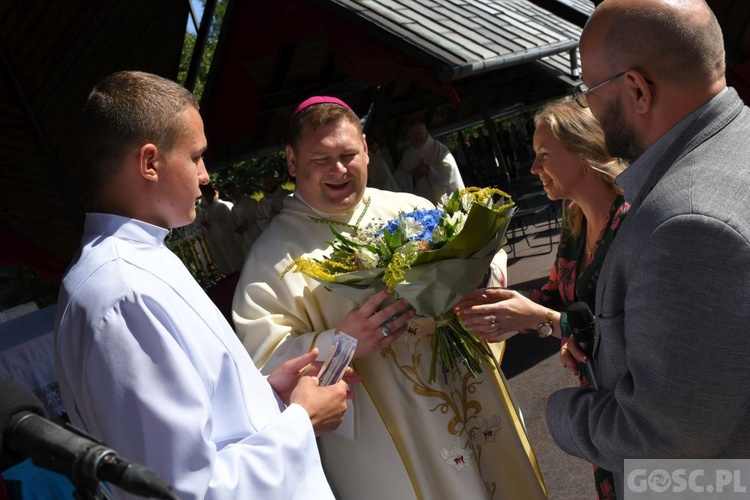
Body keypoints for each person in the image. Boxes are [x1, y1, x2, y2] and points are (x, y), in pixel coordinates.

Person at [54, 71, 353, 500]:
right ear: (150, 162)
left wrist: (266, 396)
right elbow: (182, 487)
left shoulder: (142, 261)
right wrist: (301, 422)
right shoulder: (122, 293)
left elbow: (201, 424)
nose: (206, 175)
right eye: (196, 156)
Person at [232, 95, 546, 500]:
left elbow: (485, 260)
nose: (339, 170)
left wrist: (478, 273)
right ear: (292, 162)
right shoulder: (272, 258)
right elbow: (261, 363)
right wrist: (342, 343)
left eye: (348, 154)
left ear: (366, 148)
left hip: (471, 397)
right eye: (321, 159)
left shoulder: (410, 208)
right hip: (386, 438)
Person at [543, 1, 750, 497]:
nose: (587, 106)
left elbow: (665, 441)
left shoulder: (685, 221)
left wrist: (561, 414)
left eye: (588, 90)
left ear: (636, 89)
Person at [454, 98, 629, 499]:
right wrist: (486, 300)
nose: (534, 169)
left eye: (545, 156)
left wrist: (545, 321)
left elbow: (624, 328)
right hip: (598, 407)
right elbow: (555, 294)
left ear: (584, 154)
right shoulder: (575, 218)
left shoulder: (631, 224)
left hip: (637, 411)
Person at [394, 120, 465, 204]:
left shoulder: (439, 148)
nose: (417, 137)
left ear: (426, 132)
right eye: (413, 135)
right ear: (409, 136)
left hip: (443, 197)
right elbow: (399, 176)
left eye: (420, 133)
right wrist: (412, 175)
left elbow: (449, 170)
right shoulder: (408, 155)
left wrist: (429, 170)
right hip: (421, 198)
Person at [197, 183, 245, 275]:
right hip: (211, 250)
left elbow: (231, 225)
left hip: (227, 247)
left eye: (211, 195)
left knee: (234, 269)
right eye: (206, 195)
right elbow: (191, 233)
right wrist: (202, 229)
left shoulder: (221, 207)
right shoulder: (196, 213)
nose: (210, 198)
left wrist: (212, 225)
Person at [222, 181, 262, 256]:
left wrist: (249, 223)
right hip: (246, 240)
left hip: (257, 235)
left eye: (233, 191)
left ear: (237, 189)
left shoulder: (250, 202)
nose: (232, 194)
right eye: (229, 193)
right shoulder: (233, 209)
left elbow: (261, 217)